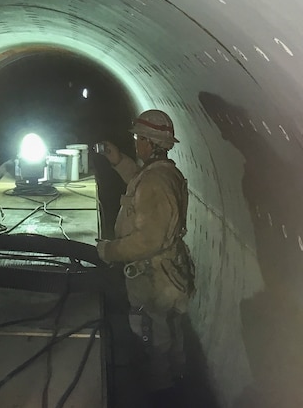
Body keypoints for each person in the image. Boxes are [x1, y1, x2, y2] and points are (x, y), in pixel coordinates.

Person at [95, 110, 196, 401]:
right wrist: (118, 161)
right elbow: (141, 186)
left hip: (153, 279)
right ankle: (177, 384)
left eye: (140, 139)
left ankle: (160, 395)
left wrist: (109, 250)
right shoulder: (162, 173)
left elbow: (148, 239)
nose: (137, 144)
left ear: (150, 144)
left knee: (153, 339)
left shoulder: (156, 182)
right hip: (168, 272)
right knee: (170, 336)